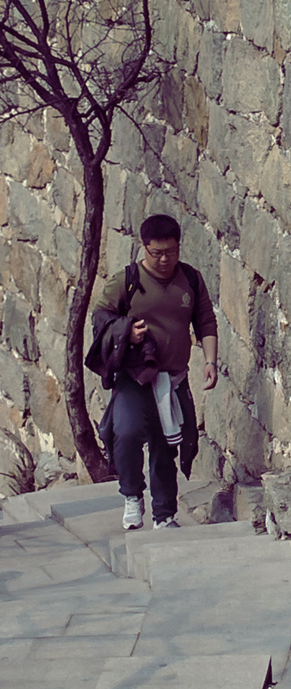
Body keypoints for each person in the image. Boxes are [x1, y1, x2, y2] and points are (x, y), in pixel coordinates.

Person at [90, 213, 219, 531]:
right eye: (156, 252)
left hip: (172, 379)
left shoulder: (190, 280)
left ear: (179, 246)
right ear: (143, 247)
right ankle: (132, 496)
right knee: (128, 432)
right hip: (134, 378)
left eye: (171, 251)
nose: (164, 259)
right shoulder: (127, 280)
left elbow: (205, 322)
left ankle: (165, 514)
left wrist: (210, 361)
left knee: (166, 446)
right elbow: (100, 317)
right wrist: (126, 332)